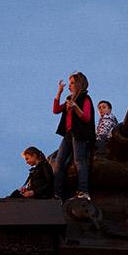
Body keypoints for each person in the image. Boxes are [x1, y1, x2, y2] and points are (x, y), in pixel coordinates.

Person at [52, 71, 95, 200]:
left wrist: (76, 107)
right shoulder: (69, 99)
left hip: (79, 133)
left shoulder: (85, 98)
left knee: (79, 161)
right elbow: (55, 110)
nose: (69, 85)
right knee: (58, 161)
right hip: (68, 134)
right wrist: (59, 92)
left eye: (71, 83)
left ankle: (83, 191)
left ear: (79, 84)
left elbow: (87, 118)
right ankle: (57, 193)